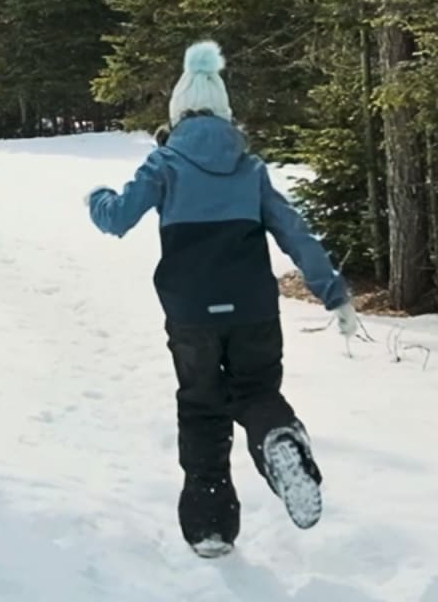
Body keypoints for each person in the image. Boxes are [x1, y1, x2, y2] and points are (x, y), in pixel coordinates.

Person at [86, 41, 358, 558]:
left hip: (191, 314)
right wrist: (333, 293)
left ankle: (210, 526)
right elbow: (295, 233)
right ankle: (279, 436)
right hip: (254, 309)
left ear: (178, 112)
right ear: (225, 112)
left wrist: (96, 198)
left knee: (202, 407)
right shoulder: (250, 169)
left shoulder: (165, 164)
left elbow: (117, 218)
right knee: (257, 393)